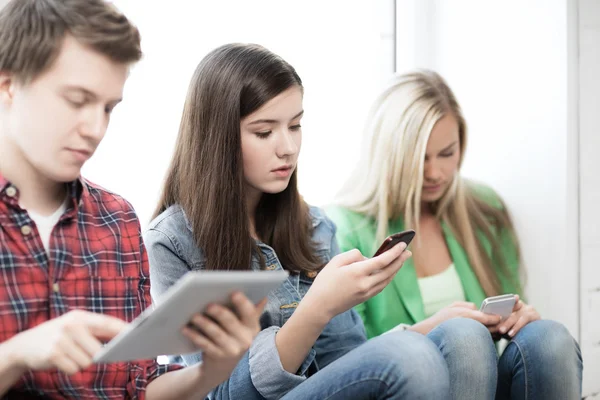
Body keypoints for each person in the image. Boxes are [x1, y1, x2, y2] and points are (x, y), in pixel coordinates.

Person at [145, 43, 454, 400]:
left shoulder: (314, 227)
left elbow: (348, 364)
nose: (288, 147)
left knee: (462, 336)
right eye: (264, 132)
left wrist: (421, 330)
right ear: (218, 137)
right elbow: (223, 393)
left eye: (295, 125)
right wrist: (317, 308)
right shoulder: (170, 242)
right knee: (413, 355)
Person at [0, 1, 263, 398]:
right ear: (8, 85)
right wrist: (16, 355)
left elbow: (139, 388)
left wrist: (214, 369)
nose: (96, 128)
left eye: (108, 107)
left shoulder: (117, 220)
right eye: (76, 100)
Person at [327, 69, 583, 399]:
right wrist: (432, 329)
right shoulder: (344, 228)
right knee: (463, 336)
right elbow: (346, 366)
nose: (435, 173)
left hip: (485, 381)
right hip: (403, 386)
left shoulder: (483, 209)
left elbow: (509, 310)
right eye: (419, 159)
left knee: (549, 337)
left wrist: (522, 319)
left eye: (447, 154)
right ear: (390, 155)